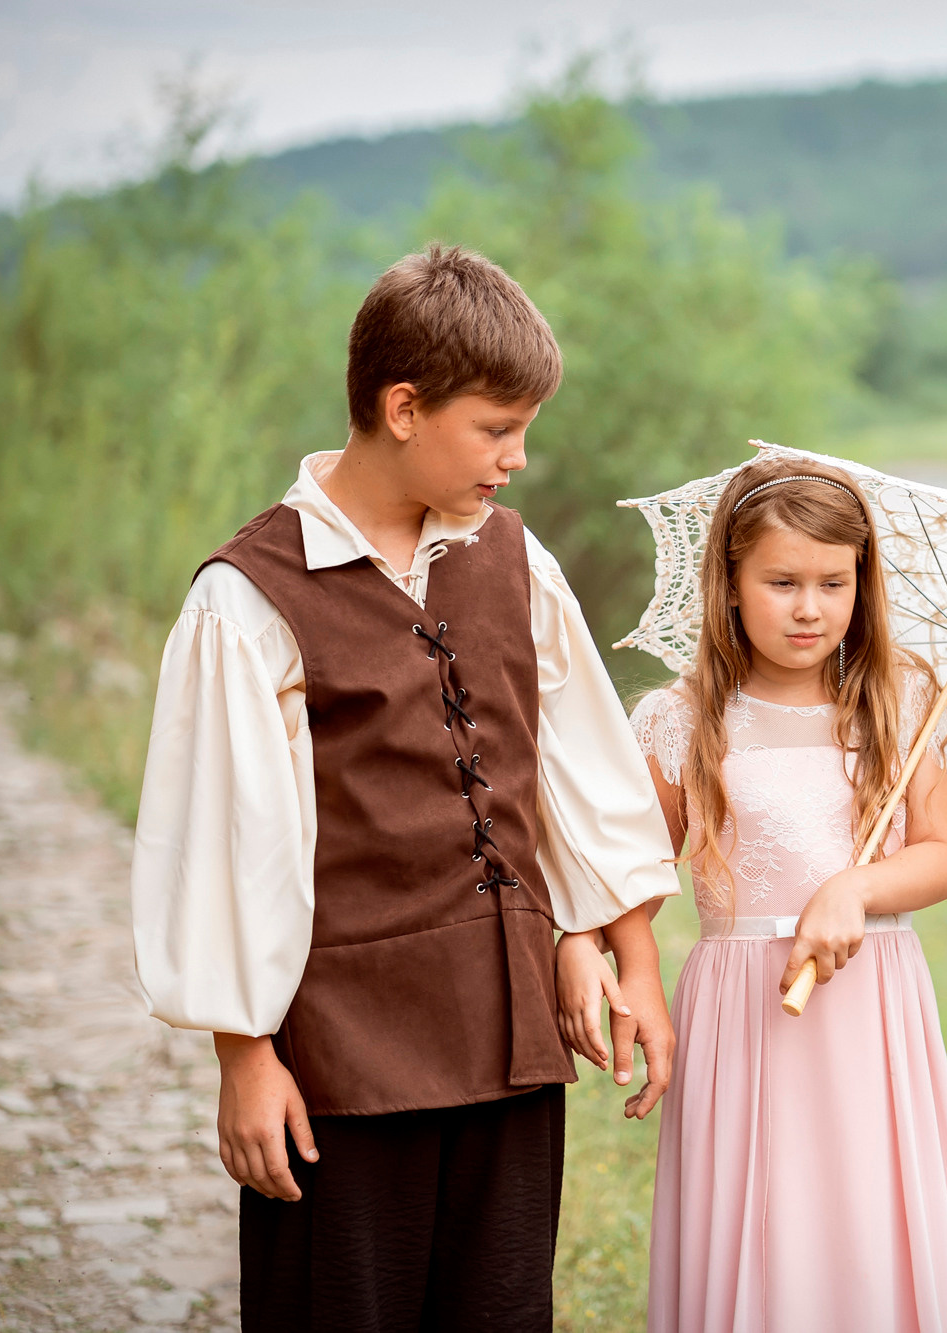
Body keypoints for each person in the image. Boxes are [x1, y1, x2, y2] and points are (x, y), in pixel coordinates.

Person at [129, 243, 678, 1330]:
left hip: (513, 1042)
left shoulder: (516, 559)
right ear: (401, 406)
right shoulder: (249, 602)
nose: (516, 460)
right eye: (495, 428)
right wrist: (245, 1058)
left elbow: (574, 772)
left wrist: (612, 948)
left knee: (502, 1314)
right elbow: (228, 847)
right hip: (344, 1061)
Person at [630, 456, 947, 1332]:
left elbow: (944, 855)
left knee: (867, 1208)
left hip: (870, 1001)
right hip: (743, 1010)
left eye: (834, 582)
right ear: (729, 582)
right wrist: (623, 969)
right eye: (782, 581)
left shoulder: (897, 707)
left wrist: (856, 885)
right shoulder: (685, 720)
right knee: (763, 1218)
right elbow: (638, 874)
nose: (809, 607)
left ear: (860, 585)